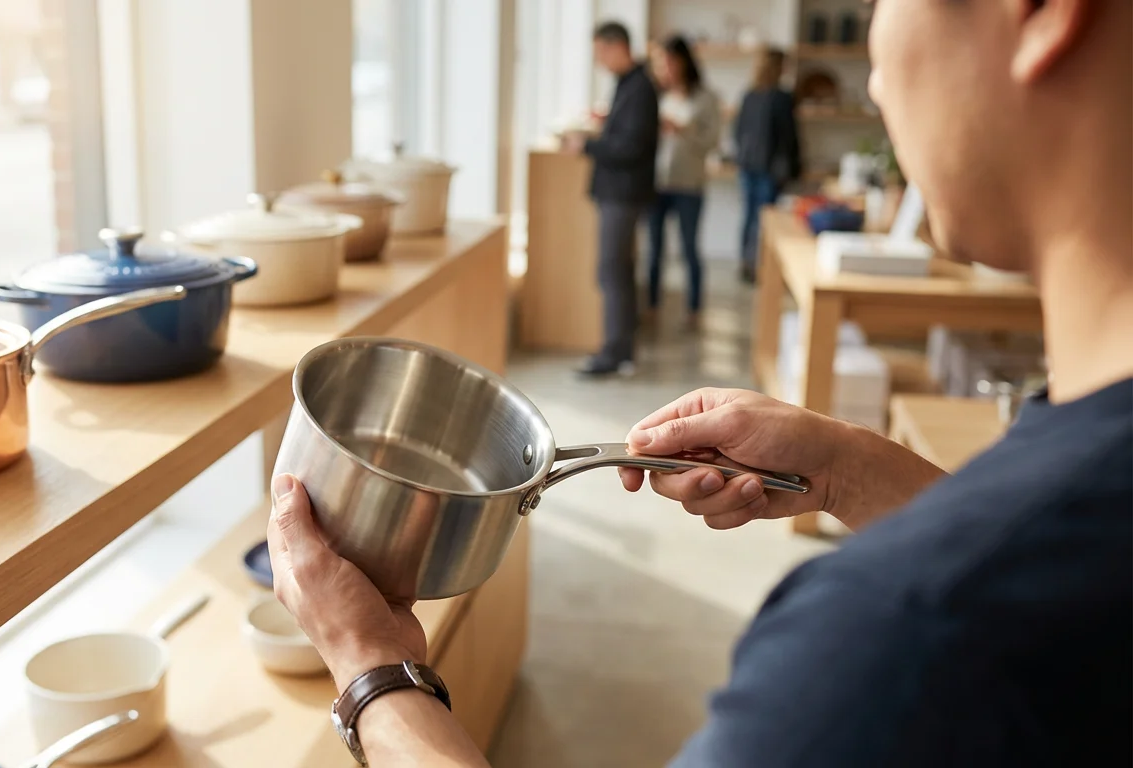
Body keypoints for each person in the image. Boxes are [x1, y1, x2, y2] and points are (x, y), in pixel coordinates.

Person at [267, 1, 1132, 765]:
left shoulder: (902, 639)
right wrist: (843, 466)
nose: (872, 59)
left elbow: (992, 585)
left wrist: (370, 668)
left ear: (1042, 11)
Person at [561, 21, 659, 377]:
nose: (599, 61)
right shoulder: (630, 84)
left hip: (623, 193)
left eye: (601, 52)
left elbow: (631, 147)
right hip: (620, 192)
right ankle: (622, 351)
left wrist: (585, 144)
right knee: (619, 271)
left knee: (612, 272)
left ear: (617, 47)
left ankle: (613, 353)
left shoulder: (640, 88)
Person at [647, 35, 721, 330]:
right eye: (660, 62)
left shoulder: (705, 98)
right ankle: (651, 305)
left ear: (684, 61)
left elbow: (711, 141)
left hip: (689, 184)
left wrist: (682, 130)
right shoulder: (655, 95)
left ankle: (694, 308)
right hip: (656, 184)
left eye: (670, 61)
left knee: (690, 249)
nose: (666, 67)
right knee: (654, 250)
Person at [734, 47, 800, 284]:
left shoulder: (749, 95)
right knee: (766, 220)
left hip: (747, 165)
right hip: (769, 169)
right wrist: (794, 166)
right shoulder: (781, 97)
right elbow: (788, 137)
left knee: (750, 216)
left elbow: (738, 131)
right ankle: (761, 266)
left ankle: (746, 262)